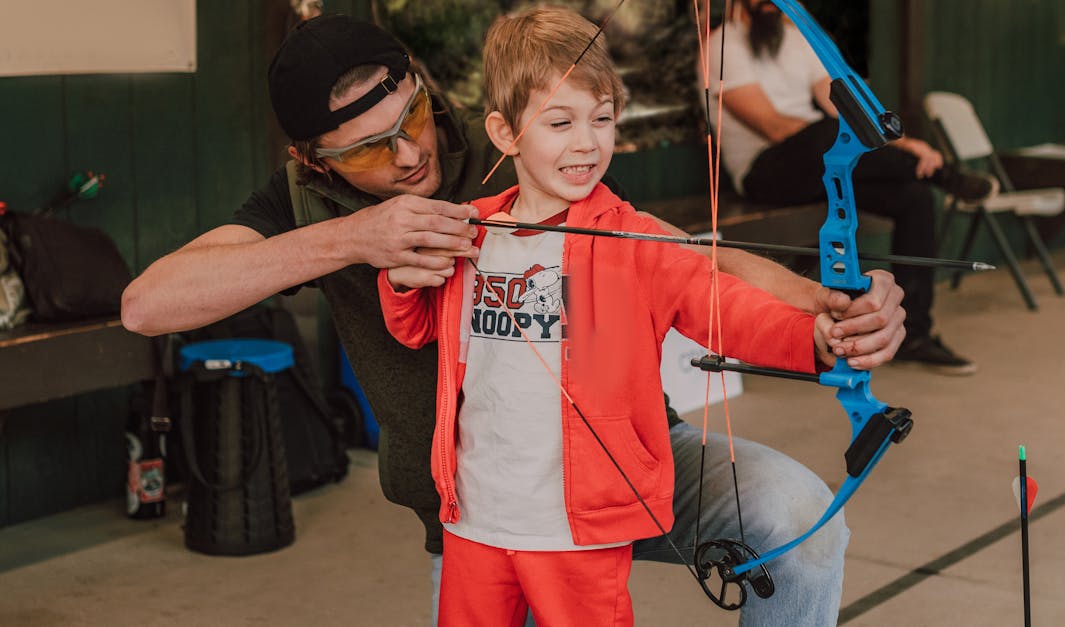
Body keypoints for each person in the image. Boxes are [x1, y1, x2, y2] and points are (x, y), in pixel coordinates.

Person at [120, 12, 906, 626]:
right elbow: (148, 304)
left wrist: (826, 309)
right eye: (367, 153)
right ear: (313, 163)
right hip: (477, 508)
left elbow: (684, 259)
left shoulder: (521, 134)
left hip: (622, 460)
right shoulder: (299, 204)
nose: (404, 158)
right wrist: (353, 238)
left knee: (804, 526)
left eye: (412, 119)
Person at [378, 5, 842, 625]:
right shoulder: (470, 230)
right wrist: (402, 280)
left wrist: (813, 335)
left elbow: (722, 305)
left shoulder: (637, 240)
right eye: (560, 121)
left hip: (581, 526)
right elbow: (414, 327)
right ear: (504, 132)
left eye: (602, 119)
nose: (587, 142)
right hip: (476, 518)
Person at [698, 0, 993, 376]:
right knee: (824, 133)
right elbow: (774, 127)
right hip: (765, 171)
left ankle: (916, 334)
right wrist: (846, 138)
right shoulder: (722, 49)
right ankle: (946, 176)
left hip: (819, 161)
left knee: (913, 197)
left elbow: (843, 107)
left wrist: (906, 146)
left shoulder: (797, 41)